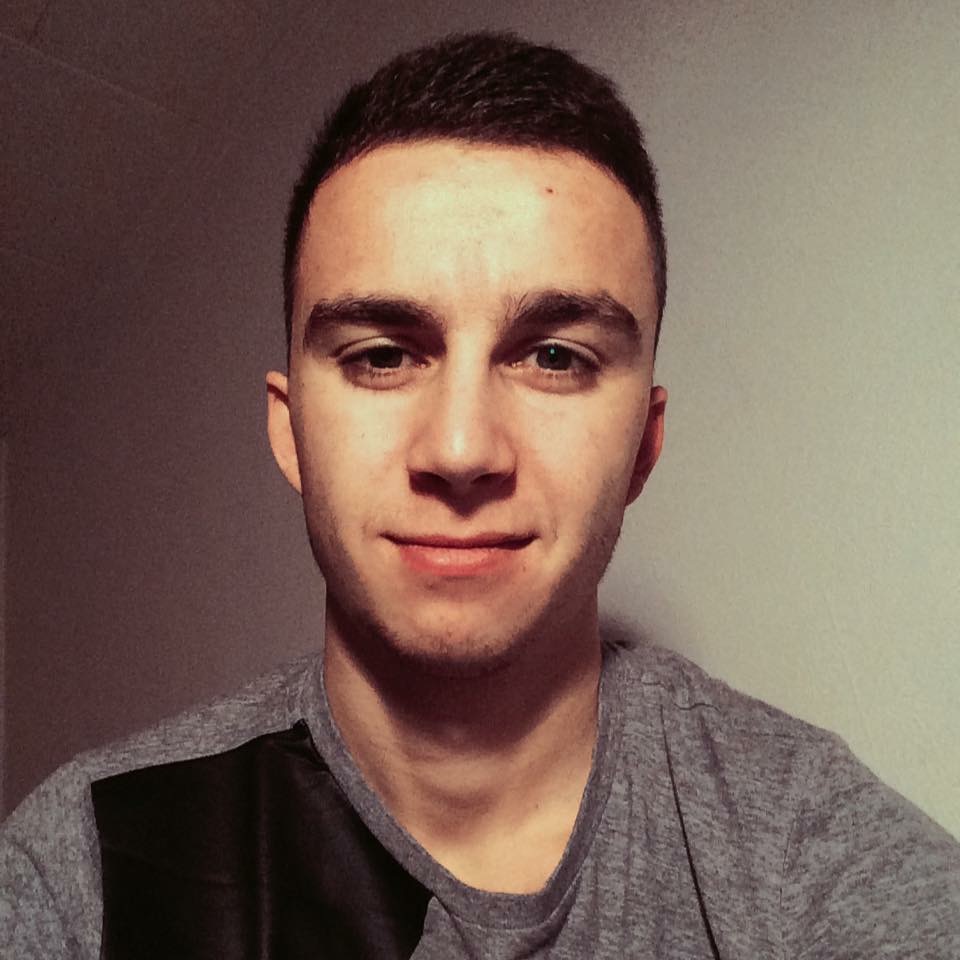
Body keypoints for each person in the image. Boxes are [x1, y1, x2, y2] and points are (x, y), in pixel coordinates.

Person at [2, 29, 958, 960]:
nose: (461, 450)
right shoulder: (87, 867)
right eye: (383, 356)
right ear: (290, 430)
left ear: (643, 445)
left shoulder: (805, 850)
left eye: (556, 357)